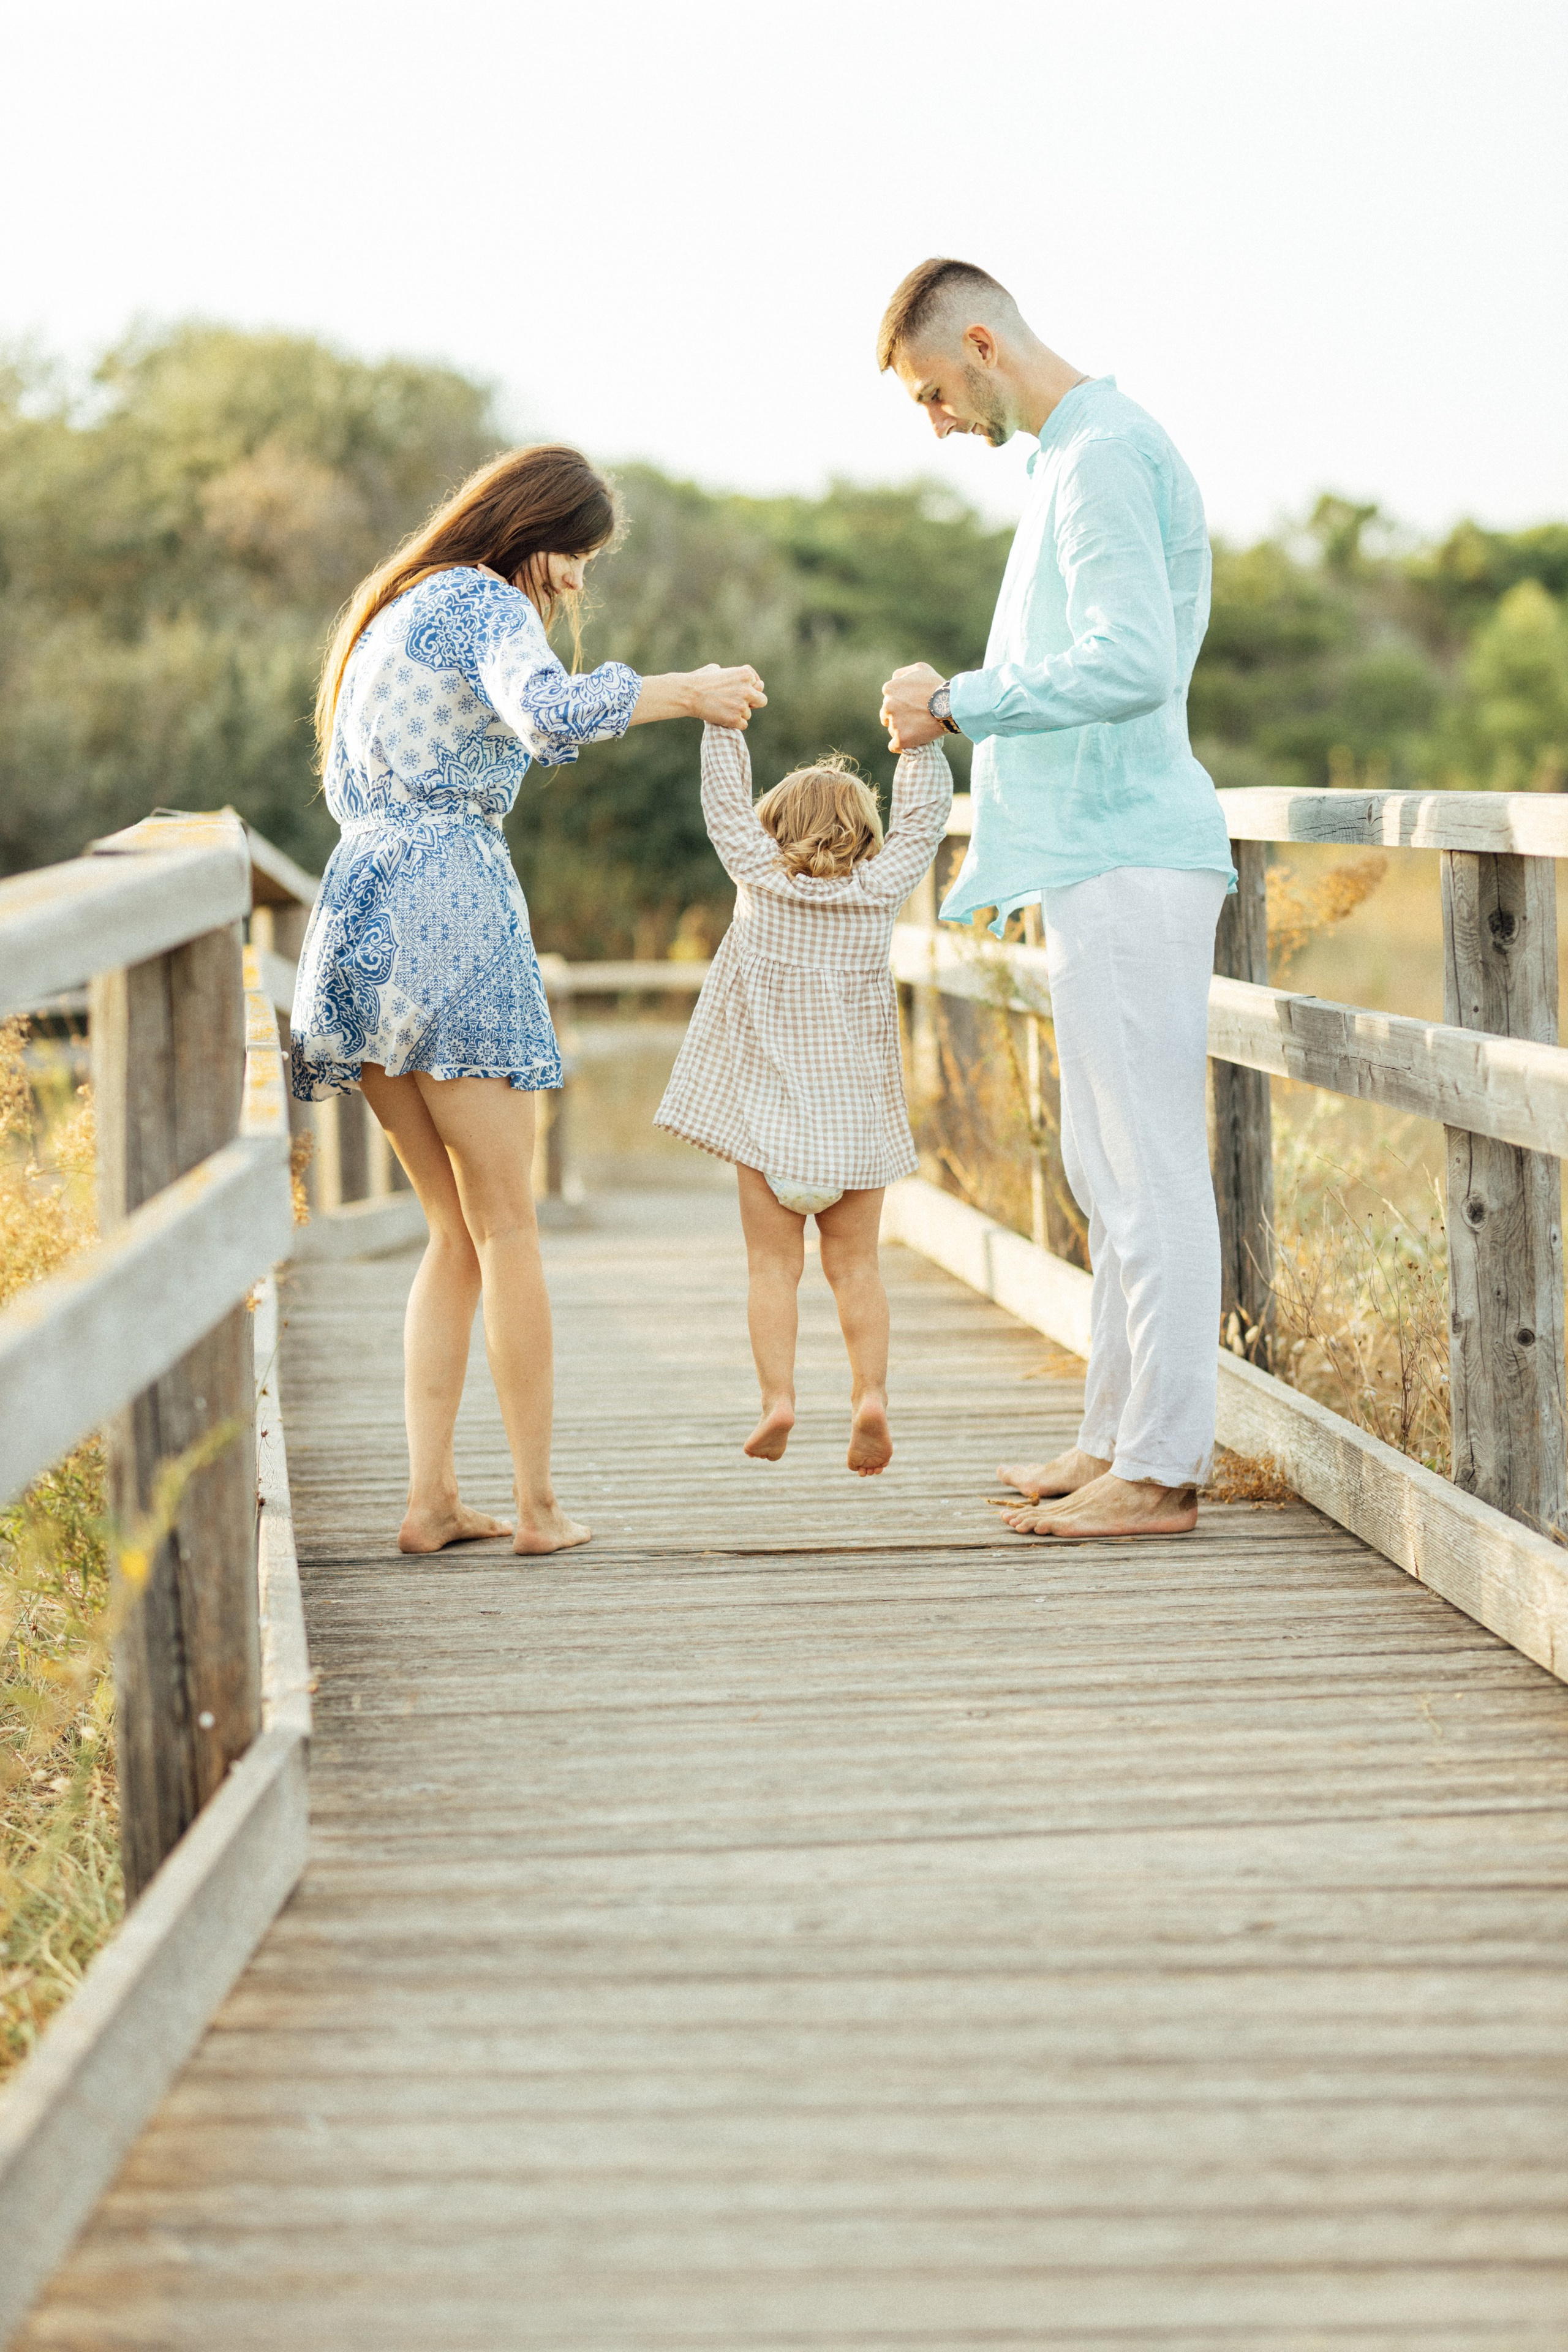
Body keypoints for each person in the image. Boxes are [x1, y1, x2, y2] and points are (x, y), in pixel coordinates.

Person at [291, 444, 766, 1556]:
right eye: (580, 559)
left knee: (450, 1230)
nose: (579, 584)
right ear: (538, 540)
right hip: (450, 910)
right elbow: (547, 712)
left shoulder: (394, 610)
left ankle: (431, 1499)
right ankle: (540, 1507)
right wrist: (686, 691)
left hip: (358, 919)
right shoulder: (485, 602)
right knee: (508, 1227)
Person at [874, 258, 1235, 1542]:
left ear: (979, 342)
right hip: (1097, 855)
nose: (935, 422)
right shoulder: (1065, 461)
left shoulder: (1100, 459)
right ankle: (1112, 1440)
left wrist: (961, 697)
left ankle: (1162, 1472)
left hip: (1134, 850)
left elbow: (1133, 663)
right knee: (1104, 1164)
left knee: (1147, 1172)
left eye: (930, 392)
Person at [655, 725, 952, 1474]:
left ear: (772, 829)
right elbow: (924, 824)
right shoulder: (881, 891)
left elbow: (722, 805)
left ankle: (778, 1399)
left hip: (767, 1127)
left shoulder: (758, 879)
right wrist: (921, 748)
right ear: (865, 837)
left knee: (771, 1269)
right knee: (856, 1270)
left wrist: (722, 725)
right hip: (853, 1132)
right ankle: (870, 1396)